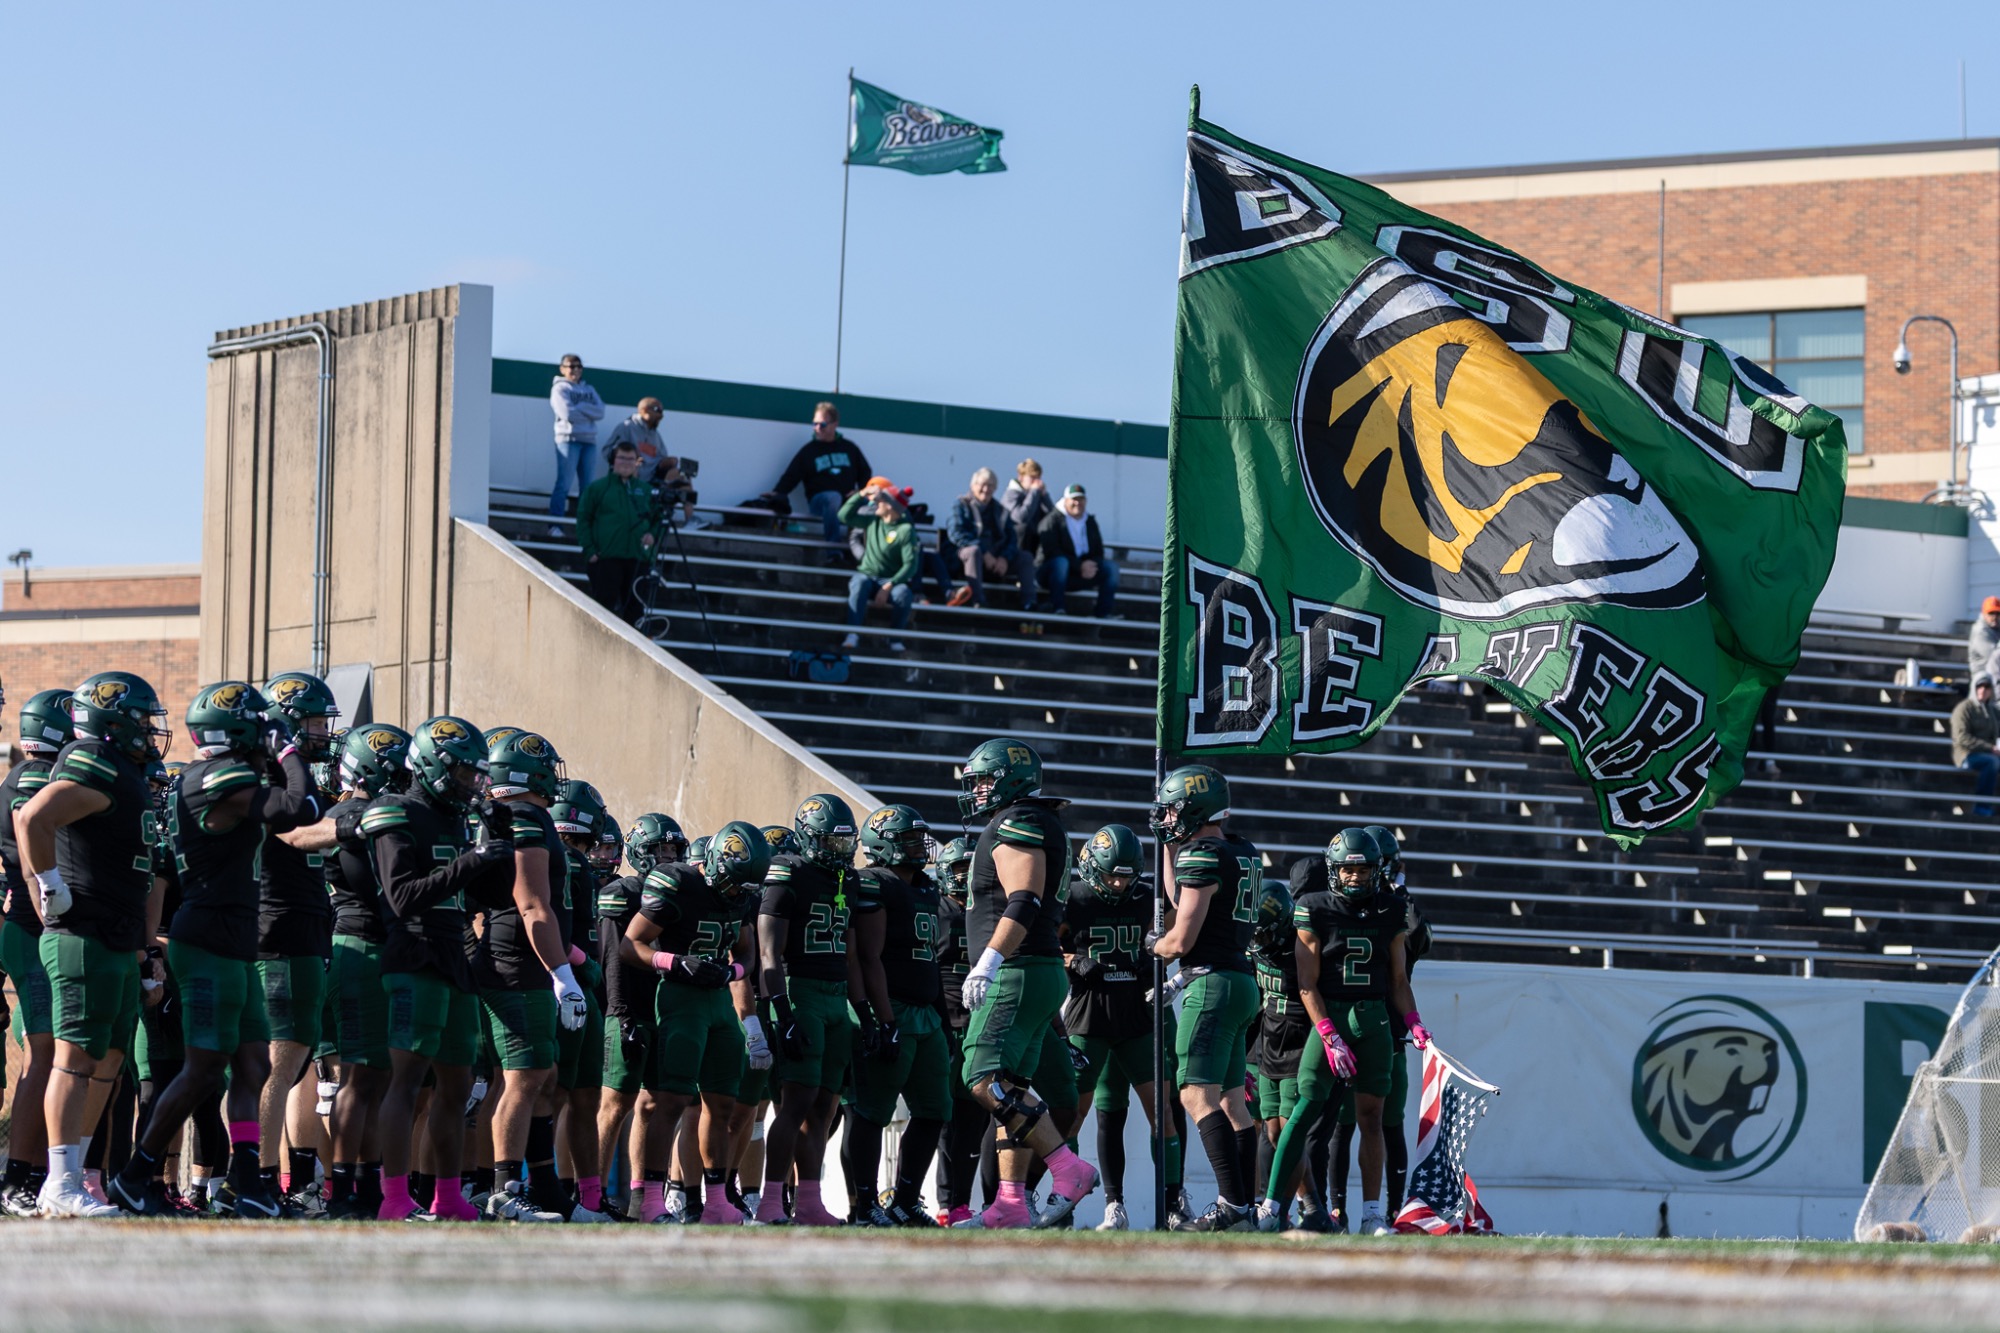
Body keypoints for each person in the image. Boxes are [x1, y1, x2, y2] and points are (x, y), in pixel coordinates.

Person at [108, 681, 321, 1219]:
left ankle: (243, 1180)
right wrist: (288, 750)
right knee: (204, 1071)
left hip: (234, 942)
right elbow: (300, 805)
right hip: (206, 941)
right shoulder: (214, 778)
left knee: (251, 1065)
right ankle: (136, 1175)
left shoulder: (222, 774)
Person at [363, 717, 513, 1223]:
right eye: (466, 772)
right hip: (414, 953)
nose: (474, 783)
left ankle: (446, 1196)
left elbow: (491, 897)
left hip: (453, 958)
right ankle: (394, 1197)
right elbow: (403, 897)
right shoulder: (394, 811)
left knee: (458, 1084)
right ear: (432, 765)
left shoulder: (454, 819)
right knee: (407, 1081)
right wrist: (472, 860)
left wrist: (501, 842)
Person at [952, 738, 1099, 1229]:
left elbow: (1024, 900)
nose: (976, 791)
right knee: (1013, 1088)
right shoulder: (1030, 821)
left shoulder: (1021, 822)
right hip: (1033, 971)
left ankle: (1066, 1167)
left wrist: (991, 958)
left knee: (982, 1079)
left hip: (1018, 970)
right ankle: (1011, 1202)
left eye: (984, 780)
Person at [1277, 828, 1430, 1237]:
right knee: (1315, 1118)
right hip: (1328, 1022)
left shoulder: (1393, 909)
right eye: (1348, 870)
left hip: (1378, 1022)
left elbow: (1400, 976)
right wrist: (1328, 1033)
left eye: (1364, 870)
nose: (1356, 878)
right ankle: (1285, 1207)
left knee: (1375, 1118)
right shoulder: (1314, 908)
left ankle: (1375, 1212)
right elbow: (1306, 982)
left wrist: (1413, 1020)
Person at [623, 819, 768, 1227]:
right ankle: (651, 1199)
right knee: (671, 1101)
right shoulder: (678, 882)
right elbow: (629, 945)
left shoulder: (739, 895)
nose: (740, 891)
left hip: (718, 1003)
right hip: (679, 999)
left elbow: (747, 955)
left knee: (722, 1105)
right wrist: (674, 961)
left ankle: (717, 1199)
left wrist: (731, 971)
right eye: (737, 881)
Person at [473, 731, 591, 1223]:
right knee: (522, 1080)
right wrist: (562, 972)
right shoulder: (525, 816)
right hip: (520, 962)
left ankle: (543, 1189)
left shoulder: (508, 816)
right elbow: (532, 903)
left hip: (516, 958)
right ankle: (503, 1190)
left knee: (539, 1079)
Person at [1060, 823, 1189, 1231]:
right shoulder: (1074, 899)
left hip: (1137, 1015)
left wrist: (1157, 959)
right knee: (1073, 1113)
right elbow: (1047, 944)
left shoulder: (1145, 897)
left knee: (1162, 1113)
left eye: (1125, 875)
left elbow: (1176, 929)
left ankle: (1171, 1205)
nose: (1118, 883)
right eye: (1111, 874)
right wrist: (1073, 961)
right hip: (1089, 1015)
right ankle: (1071, 1202)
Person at [1148, 764, 1260, 1231]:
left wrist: (1155, 944)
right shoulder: (1240, 849)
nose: (1167, 818)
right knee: (1233, 1102)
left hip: (1210, 985)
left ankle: (1232, 1207)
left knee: (1195, 1093)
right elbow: (1185, 897)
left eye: (1174, 810)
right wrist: (1173, 848)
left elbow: (1181, 938)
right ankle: (1246, 1207)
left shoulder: (1203, 854)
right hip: (1240, 981)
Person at [254, 671, 344, 1215]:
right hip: (279, 936)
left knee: (297, 1065)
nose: (321, 731)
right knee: (277, 1067)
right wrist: (357, 823)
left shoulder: (301, 777)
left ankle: (277, 1178)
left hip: (306, 933)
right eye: (312, 720)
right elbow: (295, 829)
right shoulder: (268, 776)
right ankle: (260, 1177)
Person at [316, 724, 411, 1219]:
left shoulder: (376, 813)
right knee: (358, 1078)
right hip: (359, 947)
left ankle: (368, 1183)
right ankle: (342, 1187)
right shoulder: (350, 816)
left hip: (379, 949)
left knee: (376, 1079)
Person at [754, 794, 860, 1226]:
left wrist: (863, 1013)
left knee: (825, 1108)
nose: (840, 851)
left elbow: (852, 956)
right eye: (831, 843)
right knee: (794, 1104)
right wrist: (782, 1009)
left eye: (844, 842)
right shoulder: (788, 871)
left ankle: (810, 1201)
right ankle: (770, 1201)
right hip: (800, 992)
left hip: (836, 998)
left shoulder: (848, 879)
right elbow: (767, 952)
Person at [843, 805, 950, 1227]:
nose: (919, 846)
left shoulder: (925, 886)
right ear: (883, 843)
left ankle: (905, 1199)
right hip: (894, 1010)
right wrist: (881, 1019)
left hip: (925, 1013)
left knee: (935, 1110)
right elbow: (867, 957)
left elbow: (931, 961)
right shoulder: (874, 882)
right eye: (908, 838)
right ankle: (864, 1204)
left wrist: (941, 1017)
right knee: (870, 1111)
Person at [0, 690, 72, 1216]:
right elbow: (31, 856)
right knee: (45, 1053)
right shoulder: (32, 779)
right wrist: (50, 909)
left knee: (53, 1052)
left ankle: (36, 1173)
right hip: (30, 929)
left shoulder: (30, 773)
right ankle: (17, 1178)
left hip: (30, 929)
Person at [595, 813, 685, 1221]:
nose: (667, 856)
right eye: (658, 850)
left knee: (652, 1105)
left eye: (672, 850)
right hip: (630, 1007)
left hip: (665, 1009)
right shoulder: (622, 892)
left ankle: (642, 1199)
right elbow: (614, 960)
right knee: (614, 1104)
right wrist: (622, 1014)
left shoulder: (682, 890)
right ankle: (589, 1194)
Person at [549, 780, 613, 1222]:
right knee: (552, 1095)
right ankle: (539, 1186)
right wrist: (578, 963)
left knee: (587, 1096)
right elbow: (544, 921)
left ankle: (589, 1198)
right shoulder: (559, 861)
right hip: (562, 983)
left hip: (583, 987)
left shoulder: (576, 863)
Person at [764, 402, 872, 564]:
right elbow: (791, 475)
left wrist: (860, 491)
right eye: (814, 424)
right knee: (832, 497)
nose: (817, 428)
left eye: (822, 424)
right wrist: (778, 492)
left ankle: (862, 553)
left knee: (869, 505)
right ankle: (833, 552)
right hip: (820, 501)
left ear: (835, 424)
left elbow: (865, 472)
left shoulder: (849, 448)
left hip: (847, 502)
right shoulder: (808, 451)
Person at [577, 442, 657, 625]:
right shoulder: (598, 488)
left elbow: (658, 518)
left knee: (636, 614)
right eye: (622, 457)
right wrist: (590, 551)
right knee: (604, 613)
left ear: (637, 462)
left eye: (631, 459)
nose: (626, 462)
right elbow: (583, 519)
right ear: (614, 459)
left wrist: (652, 535)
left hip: (638, 561)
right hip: (606, 559)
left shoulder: (645, 490)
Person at [838, 481, 918, 653]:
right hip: (867, 575)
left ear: (890, 506)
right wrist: (861, 494)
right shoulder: (872, 520)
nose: (876, 503)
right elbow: (843, 516)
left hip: (890, 580)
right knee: (859, 583)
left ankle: (895, 639)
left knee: (904, 594)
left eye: (880, 500)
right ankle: (852, 634)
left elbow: (910, 565)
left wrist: (889, 586)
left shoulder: (905, 530)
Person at [601, 399, 704, 528]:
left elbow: (661, 459)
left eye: (662, 412)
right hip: (630, 478)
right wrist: (629, 461)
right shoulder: (626, 427)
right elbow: (606, 452)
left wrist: (669, 462)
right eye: (657, 410)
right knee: (635, 465)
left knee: (683, 474)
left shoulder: (655, 435)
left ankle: (690, 520)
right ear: (643, 410)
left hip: (652, 479)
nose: (661, 415)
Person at [1035, 485, 1122, 618]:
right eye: (1073, 499)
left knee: (1111, 568)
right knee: (1060, 563)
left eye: (1081, 499)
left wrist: (1090, 565)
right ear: (1065, 501)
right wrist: (1078, 565)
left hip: (1079, 574)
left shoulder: (1090, 522)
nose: (1077, 503)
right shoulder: (1051, 520)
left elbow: (1098, 551)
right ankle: (1057, 607)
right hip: (1050, 574)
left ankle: (1103, 612)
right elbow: (1051, 551)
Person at [946, 468, 1026, 609]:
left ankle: (1029, 603)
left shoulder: (1000, 510)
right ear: (973, 486)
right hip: (965, 558)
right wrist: (984, 553)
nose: (986, 489)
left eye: (990, 485)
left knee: (1026, 557)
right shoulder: (961, 505)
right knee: (973, 551)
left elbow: (1012, 538)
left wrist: (1004, 558)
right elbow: (956, 533)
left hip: (995, 561)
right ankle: (978, 601)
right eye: (982, 484)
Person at [548, 355, 605, 531]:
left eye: (579, 366)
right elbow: (567, 414)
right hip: (568, 440)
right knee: (563, 484)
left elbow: (600, 412)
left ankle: (584, 528)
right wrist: (587, 412)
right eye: (571, 366)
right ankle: (555, 525)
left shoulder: (590, 389)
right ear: (562, 368)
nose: (576, 370)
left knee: (587, 488)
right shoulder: (559, 389)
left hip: (589, 442)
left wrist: (580, 407)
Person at [1952, 676, 2000, 817]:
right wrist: (1989, 748)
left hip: (1990, 754)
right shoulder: (1964, 709)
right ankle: (1982, 806)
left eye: (1987, 687)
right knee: (1991, 763)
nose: (1983, 690)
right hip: (1967, 755)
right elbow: (1961, 738)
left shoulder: (1992, 711)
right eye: (1980, 686)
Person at [1001, 458, 1055, 561]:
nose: (1037, 482)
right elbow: (1021, 518)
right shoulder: (1010, 494)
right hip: (1013, 543)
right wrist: (1034, 493)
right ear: (1021, 477)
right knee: (1023, 528)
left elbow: (1052, 517)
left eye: (1038, 478)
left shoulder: (1037, 495)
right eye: (1033, 477)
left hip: (1034, 544)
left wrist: (1044, 496)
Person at [1970, 597, 2000, 682]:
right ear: (1983, 614)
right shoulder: (1980, 631)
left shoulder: (1996, 627)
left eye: (1998, 613)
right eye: (1991, 613)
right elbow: (1994, 657)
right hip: (1983, 681)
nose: (1995, 617)